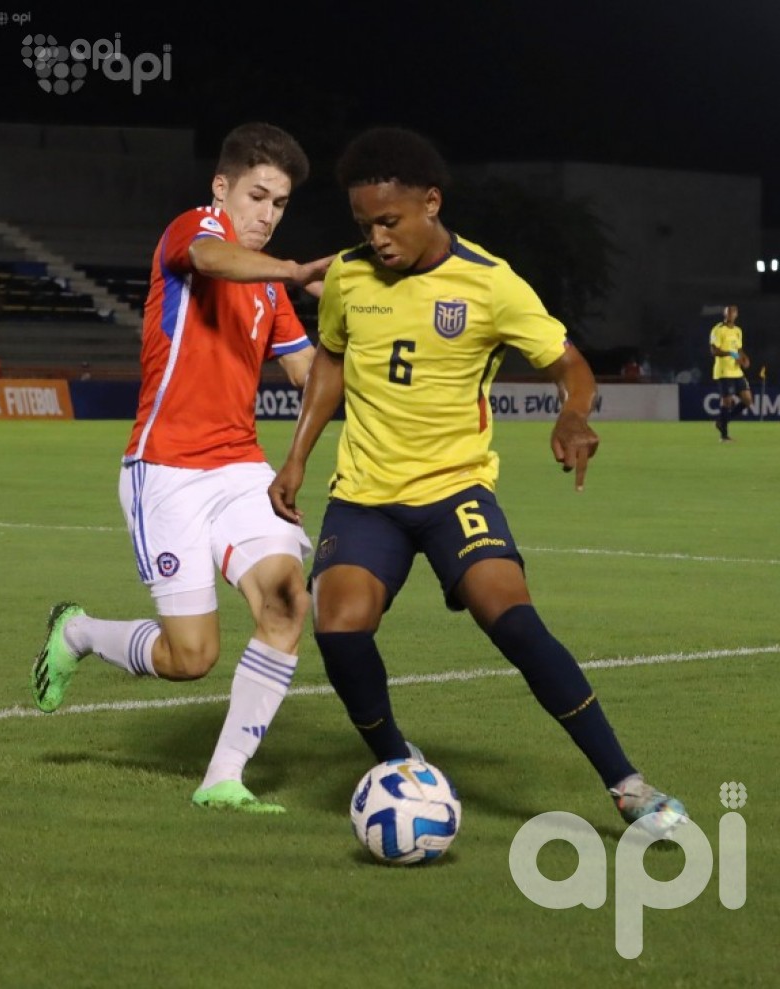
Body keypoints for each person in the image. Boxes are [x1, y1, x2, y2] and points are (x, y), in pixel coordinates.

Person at [268, 125, 687, 838]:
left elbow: (569, 365)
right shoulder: (346, 276)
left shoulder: (491, 282)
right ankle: (399, 765)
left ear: (431, 202)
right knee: (339, 629)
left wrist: (574, 414)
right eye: (365, 226)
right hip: (366, 494)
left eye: (389, 221)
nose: (377, 239)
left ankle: (625, 782)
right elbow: (330, 361)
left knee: (514, 620)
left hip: (455, 489)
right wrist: (297, 456)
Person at [30, 122, 333, 812]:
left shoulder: (268, 288)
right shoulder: (194, 232)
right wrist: (292, 269)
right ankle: (78, 632)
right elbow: (210, 257)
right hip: (165, 471)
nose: (267, 214)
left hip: (240, 469)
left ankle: (223, 778)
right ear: (221, 187)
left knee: (288, 601)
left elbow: (307, 370)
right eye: (257, 196)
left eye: (280, 203)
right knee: (190, 657)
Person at [710, 304, 752, 441]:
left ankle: (722, 421)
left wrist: (744, 359)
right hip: (723, 371)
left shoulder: (738, 331)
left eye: (732, 313)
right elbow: (714, 351)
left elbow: (738, 349)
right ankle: (724, 436)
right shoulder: (718, 330)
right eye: (727, 313)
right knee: (727, 402)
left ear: (736, 315)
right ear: (724, 314)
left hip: (736, 371)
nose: (729, 315)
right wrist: (730, 353)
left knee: (747, 400)